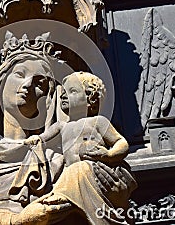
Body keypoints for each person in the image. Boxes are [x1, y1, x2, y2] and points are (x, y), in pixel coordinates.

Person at [0, 32, 136, 225]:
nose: (27, 85)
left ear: (48, 97)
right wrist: (17, 220)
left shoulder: (61, 153)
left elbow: (113, 189)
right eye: (19, 74)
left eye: (40, 82)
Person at [24, 72, 137, 224]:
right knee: (66, 167)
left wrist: (108, 155)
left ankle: (60, 195)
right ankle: (62, 194)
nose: (64, 96)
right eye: (62, 92)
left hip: (100, 175)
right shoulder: (62, 126)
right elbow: (43, 139)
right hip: (72, 177)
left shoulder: (97, 122)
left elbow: (121, 143)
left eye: (72, 91)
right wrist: (35, 139)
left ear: (91, 100)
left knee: (80, 168)